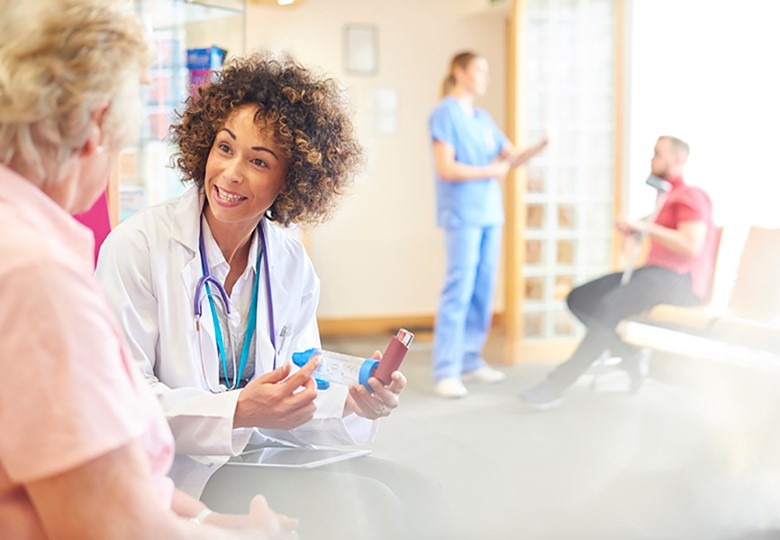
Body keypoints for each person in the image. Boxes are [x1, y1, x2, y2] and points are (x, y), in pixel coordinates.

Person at [95, 53, 435, 540]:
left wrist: (353, 404)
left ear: (291, 180)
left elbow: (296, 392)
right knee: (371, 507)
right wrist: (237, 410)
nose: (231, 173)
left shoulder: (290, 263)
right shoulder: (139, 247)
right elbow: (118, 403)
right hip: (173, 475)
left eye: (258, 161)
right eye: (224, 148)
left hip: (259, 455)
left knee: (420, 493)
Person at [0, 1, 296, 538]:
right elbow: (107, 522)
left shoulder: (25, 245)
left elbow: (113, 481)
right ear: (97, 125)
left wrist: (209, 520)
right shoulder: (35, 275)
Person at [521, 135, 718, 407]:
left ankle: (555, 384)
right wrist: (637, 228)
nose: (652, 160)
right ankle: (629, 354)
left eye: (657, 154)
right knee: (580, 298)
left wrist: (644, 228)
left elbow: (691, 245)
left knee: (608, 308)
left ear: (677, 159)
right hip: (654, 274)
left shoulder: (690, 195)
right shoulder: (665, 198)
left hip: (680, 281)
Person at [429, 51, 548, 398]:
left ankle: (470, 359)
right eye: (480, 69)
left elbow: (512, 158)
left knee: (483, 289)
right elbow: (446, 169)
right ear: (459, 72)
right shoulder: (445, 114)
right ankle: (446, 370)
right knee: (459, 288)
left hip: (489, 214)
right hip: (461, 213)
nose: (486, 76)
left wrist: (542, 145)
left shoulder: (482, 118)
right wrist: (490, 171)